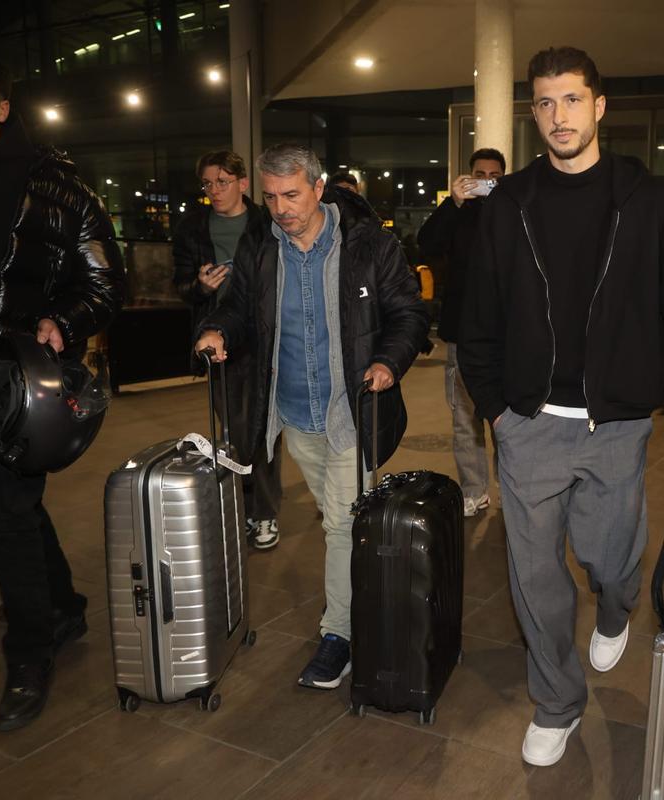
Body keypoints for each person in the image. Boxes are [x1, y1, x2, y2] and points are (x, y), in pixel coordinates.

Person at [458, 46, 664, 767]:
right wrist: (498, 412)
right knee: (536, 578)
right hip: (528, 427)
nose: (558, 117)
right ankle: (557, 701)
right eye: (544, 104)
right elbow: (475, 318)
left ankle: (616, 607)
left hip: (617, 425)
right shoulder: (509, 206)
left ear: (600, 106)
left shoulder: (645, 203)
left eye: (572, 100)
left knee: (610, 562)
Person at [195, 144, 427, 690]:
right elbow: (238, 307)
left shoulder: (371, 245)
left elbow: (409, 315)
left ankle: (339, 635)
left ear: (319, 189)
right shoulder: (261, 248)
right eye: (271, 197)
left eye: (292, 195)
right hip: (293, 414)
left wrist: (389, 361)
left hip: (350, 410)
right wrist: (218, 330)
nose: (280, 208)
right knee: (341, 522)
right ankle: (373, 600)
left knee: (342, 526)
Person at [0, 43, 124, 730]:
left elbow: (106, 282)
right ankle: (63, 609)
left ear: (4, 107)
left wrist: (63, 319)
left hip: (13, 378)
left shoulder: (50, 187)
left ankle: (31, 648)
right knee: (11, 505)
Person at [172, 150, 281, 550]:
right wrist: (201, 286)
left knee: (260, 426)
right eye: (207, 183)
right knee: (233, 429)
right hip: (216, 337)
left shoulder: (265, 223)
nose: (214, 190)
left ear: (242, 183)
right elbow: (180, 284)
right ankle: (243, 504)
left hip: (264, 336)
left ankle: (264, 512)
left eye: (222, 181)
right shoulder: (192, 227)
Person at [417, 147, 506, 517]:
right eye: (479, 174)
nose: (485, 180)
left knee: (508, 419)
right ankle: (474, 490)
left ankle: (512, 487)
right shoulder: (457, 214)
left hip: (506, 335)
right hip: (461, 333)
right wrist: (453, 202)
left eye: (493, 176)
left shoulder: (513, 212)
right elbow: (427, 243)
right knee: (464, 418)